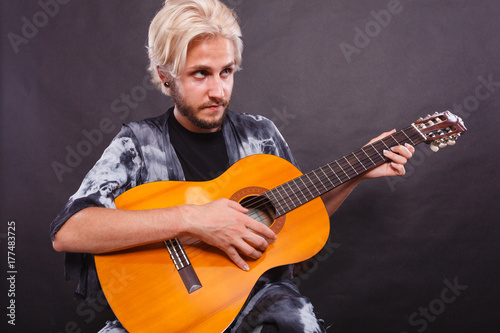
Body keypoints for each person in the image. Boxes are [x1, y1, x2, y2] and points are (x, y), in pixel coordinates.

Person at [50, 0, 414, 332]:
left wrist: (355, 173)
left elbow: (302, 218)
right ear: (164, 76)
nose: (218, 91)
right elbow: (69, 231)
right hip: (165, 312)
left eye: (226, 72)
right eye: (200, 74)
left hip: (257, 303)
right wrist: (194, 219)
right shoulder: (137, 144)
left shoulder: (261, 137)